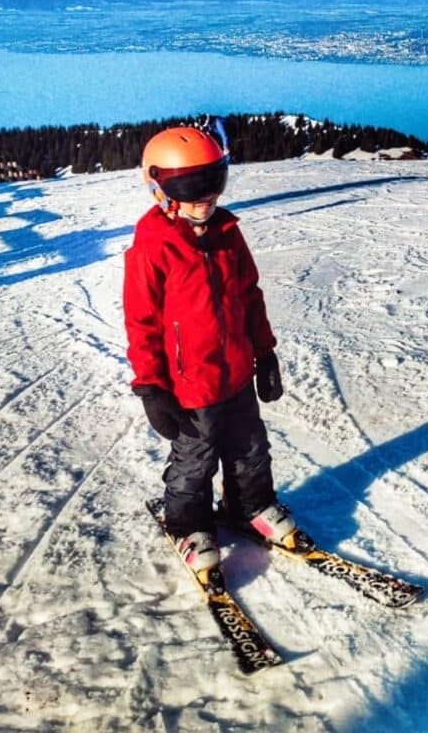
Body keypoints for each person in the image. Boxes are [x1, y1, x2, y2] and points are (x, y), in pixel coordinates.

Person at [123, 125, 298, 578]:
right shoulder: (152, 247)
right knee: (193, 461)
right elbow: (141, 323)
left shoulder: (227, 232)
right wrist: (150, 387)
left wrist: (265, 354)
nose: (206, 198)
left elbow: (249, 295)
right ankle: (188, 525)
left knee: (250, 449)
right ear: (161, 188)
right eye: (191, 187)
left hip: (236, 373)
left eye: (213, 182)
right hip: (189, 384)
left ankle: (250, 506)